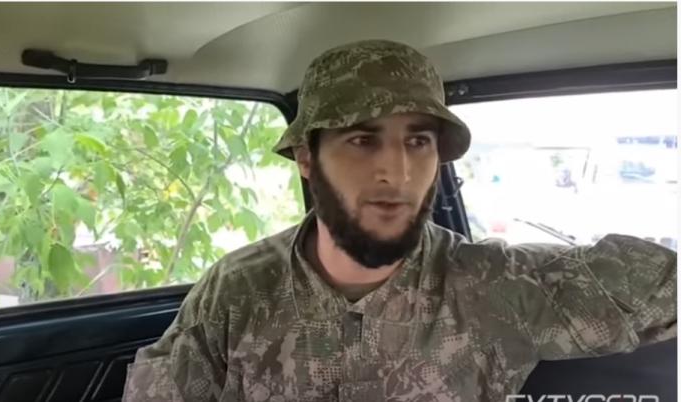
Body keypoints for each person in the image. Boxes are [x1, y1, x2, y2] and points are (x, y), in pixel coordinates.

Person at [122, 40, 676, 402]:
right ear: (308, 157)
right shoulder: (237, 289)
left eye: (418, 141)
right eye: (363, 140)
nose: (399, 171)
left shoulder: (494, 284)